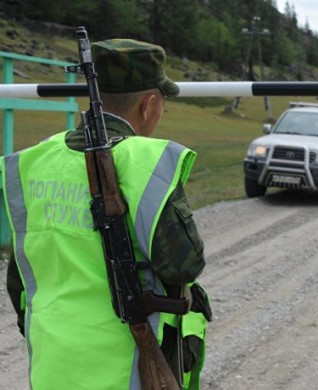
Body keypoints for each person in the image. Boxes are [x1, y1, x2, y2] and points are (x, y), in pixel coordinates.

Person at [2, 38, 211, 389]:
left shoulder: (32, 162)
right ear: (149, 104)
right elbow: (185, 264)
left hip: (54, 366)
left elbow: (20, 278)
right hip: (124, 373)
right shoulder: (147, 163)